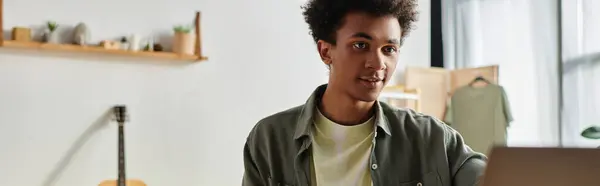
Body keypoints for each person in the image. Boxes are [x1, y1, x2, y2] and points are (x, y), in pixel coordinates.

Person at [242, 0, 487, 185]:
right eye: (361, 45)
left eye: (389, 48)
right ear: (326, 51)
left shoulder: (430, 138)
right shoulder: (269, 139)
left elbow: (491, 176)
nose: (378, 63)